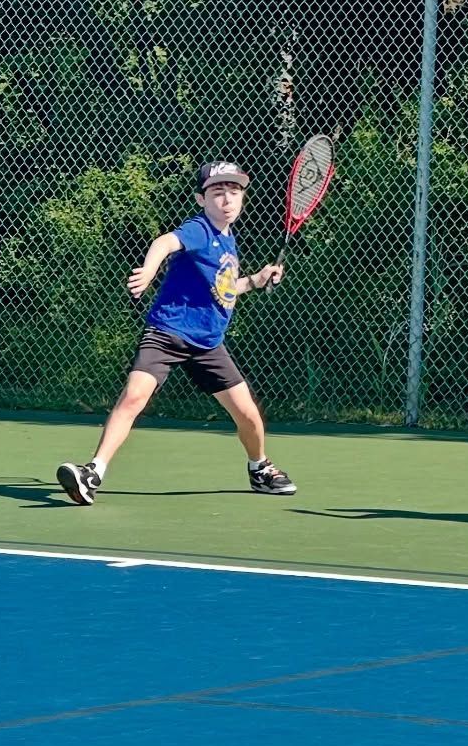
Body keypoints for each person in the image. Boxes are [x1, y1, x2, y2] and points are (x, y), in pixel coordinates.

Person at [55, 161, 296, 505]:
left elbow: (222, 289)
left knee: (248, 415)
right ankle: (93, 472)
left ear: (243, 198)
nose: (227, 199)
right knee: (134, 396)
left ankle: (259, 469)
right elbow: (165, 242)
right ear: (201, 199)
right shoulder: (200, 229)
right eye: (217, 192)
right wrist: (150, 270)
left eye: (234, 191)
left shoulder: (228, 241)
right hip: (167, 332)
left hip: (208, 344)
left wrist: (254, 282)